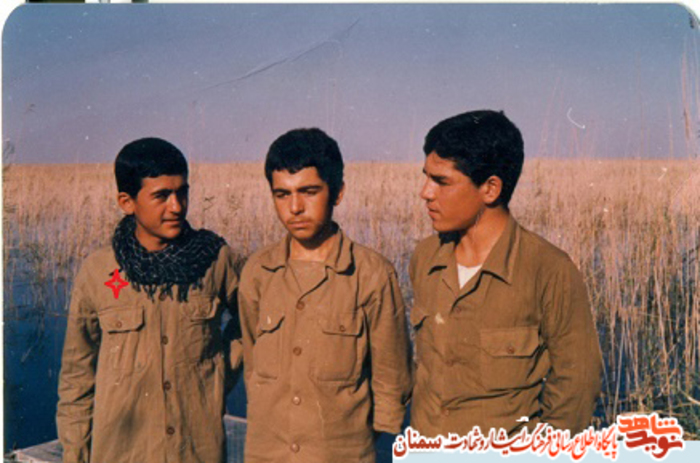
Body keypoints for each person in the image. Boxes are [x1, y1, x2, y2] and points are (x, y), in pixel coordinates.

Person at [410, 110, 602, 437]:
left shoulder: (549, 269)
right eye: (426, 177)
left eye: (441, 181)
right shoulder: (425, 258)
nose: (425, 192)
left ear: (490, 189)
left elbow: (577, 387)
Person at [56, 137, 242, 463]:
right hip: (122, 454)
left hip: (196, 451)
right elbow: (77, 378)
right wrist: (76, 454)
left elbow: (255, 317)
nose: (177, 206)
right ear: (127, 202)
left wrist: (219, 373)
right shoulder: (97, 271)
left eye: (182, 192)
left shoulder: (216, 260)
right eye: (161, 196)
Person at [238, 128, 411, 462]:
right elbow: (251, 363)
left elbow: (392, 376)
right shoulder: (258, 272)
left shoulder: (371, 274)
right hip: (267, 452)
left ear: (337, 192)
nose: (295, 207)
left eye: (309, 191)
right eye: (282, 194)